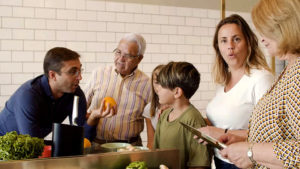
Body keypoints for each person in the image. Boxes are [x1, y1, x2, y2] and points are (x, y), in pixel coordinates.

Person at [216, 0, 300, 168]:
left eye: (266, 31)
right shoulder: (289, 70)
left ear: (285, 27)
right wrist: (245, 139)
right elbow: (283, 134)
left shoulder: (298, 72)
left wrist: (250, 151)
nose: (262, 39)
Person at [197, 14, 274, 169]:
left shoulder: (261, 78)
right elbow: (223, 121)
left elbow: (271, 134)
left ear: (248, 42)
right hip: (220, 161)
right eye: (223, 41)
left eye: (236, 39)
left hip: (246, 164)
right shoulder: (223, 83)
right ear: (218, 47)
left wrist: (220, 132)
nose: (230, 46)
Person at [0, 47, 110, 140]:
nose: (80, 77)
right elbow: (31, 142)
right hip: (5, 146)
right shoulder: (28, 96)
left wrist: (93, 117)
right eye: (73, 72)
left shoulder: (76, 94)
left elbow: (81, 138)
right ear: (52, 75)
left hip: (31, 146)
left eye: (80, 70)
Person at [84, 33, 151, 146]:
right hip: (96, 146)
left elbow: (151, 124)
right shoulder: (98, 74)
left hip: (129, 149)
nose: (120, 59)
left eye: (128, 55)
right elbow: (80, 110)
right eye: (118, 52)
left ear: (139, 59)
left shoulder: (147, 84)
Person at [154, 61, 212, 169]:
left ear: (177, 92)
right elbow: (156, 152)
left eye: (161, 85)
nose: (157, 89)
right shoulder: (163, 115)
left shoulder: (193, 120)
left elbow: (199, 165)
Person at [143, 64, 169, 149]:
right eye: (156, 82)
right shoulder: (149, 109)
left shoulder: (178, 107)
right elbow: (151, 142)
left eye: (164, 83)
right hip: (160, 156)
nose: (159, 87)